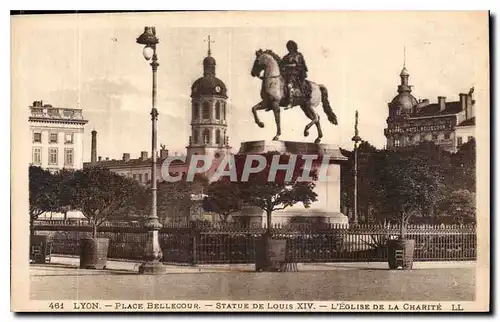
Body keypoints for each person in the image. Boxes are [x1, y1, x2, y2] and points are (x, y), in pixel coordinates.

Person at [280, 40, 309, 110]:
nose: (289, 49)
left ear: (294, 47)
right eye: (288, 47)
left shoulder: (298, 55)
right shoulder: (286, 56)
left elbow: (300, 65)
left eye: (290, 47)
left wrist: (290, 66)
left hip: (295, 74)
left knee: (289, 85)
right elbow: (281, 65)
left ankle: (290, 102)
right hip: (286, 74)